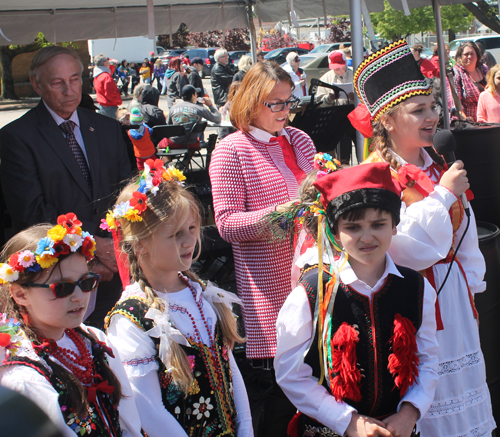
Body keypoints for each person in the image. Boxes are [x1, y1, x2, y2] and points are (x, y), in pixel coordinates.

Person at [349, 39, 495, 437]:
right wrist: (445, 194)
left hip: (454, 300)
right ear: (389, 122)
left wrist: (469, 281)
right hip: (413, 302)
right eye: (419, 111)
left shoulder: (438, 165)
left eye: (433, 106)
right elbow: (399, 248)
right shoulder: (378, 175)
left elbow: (465, 227)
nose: (433, 116)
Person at [274, 162, 439, 437]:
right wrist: (348, 421)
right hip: (331, 429)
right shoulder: (313, 291)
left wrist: (410, 412)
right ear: (335, 232)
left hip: (396, 428)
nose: (367, 237)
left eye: (378, 224)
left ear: (394, 226)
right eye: (353, 227)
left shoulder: (416, 287)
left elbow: (428, 359)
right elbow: (290, 373)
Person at [103, 162, 253, 437]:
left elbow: (231, 373)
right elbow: (149, 411)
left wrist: (246, 431)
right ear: (140, 245)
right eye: (175, 235)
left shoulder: (205, 295)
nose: (188, 242)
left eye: (193, 229)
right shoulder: (132, 318)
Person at [209, 61, 316, 436]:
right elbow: (227, 225)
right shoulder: (230, 151)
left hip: (313, 278)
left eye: (289, 102)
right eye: (276, 104)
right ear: (251, 101)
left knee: (319, 386)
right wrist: (281, 215)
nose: (285, 112)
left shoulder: (300, 139)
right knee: (281, 399)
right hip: (271, 290)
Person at [0, 46, 132, 328]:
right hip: (58, 282)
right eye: (58, 83)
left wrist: (113, 252)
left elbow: (125, 195)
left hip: (114, 274)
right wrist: (92, 252)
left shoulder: (106, 129)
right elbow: (32, 212)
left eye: (74, 80)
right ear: (37, 84)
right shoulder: (16, 138)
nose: (69, 90)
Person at [0, 213, 142, 437]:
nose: (78, 297)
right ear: (20, 294)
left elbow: (129, 422)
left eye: (86, 282)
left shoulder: (94, 340)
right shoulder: (24, 375)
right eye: (62, 288)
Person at [159, 85, 220, 168]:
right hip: (192, 143)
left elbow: (169, 126)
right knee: (194, 139)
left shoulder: (173, 108)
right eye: (196, 94)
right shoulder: (199, 108)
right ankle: (186, 161)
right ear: (192, 95)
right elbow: (217, 118)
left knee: (160, 145)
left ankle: (168, 164)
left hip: (174, 142)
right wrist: (210, 105)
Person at [447, 41, 488, 121]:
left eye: (472, 54)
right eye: (466, 54)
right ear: (460, 57)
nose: (469, 57)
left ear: (477, 55)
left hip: (489, 121)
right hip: (470, 123)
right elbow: (455, 104)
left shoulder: (483, 68)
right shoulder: (457, 72)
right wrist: (466, 120)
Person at [93, 53, 123, 119]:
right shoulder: (106, 77)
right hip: (110, 107)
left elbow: (109, 71)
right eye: (107, 60)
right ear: (104, 63)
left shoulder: (98, 75)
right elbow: (111, 94)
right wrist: (118, 100)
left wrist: (112, 65)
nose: (108, 61)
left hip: (102, 106)